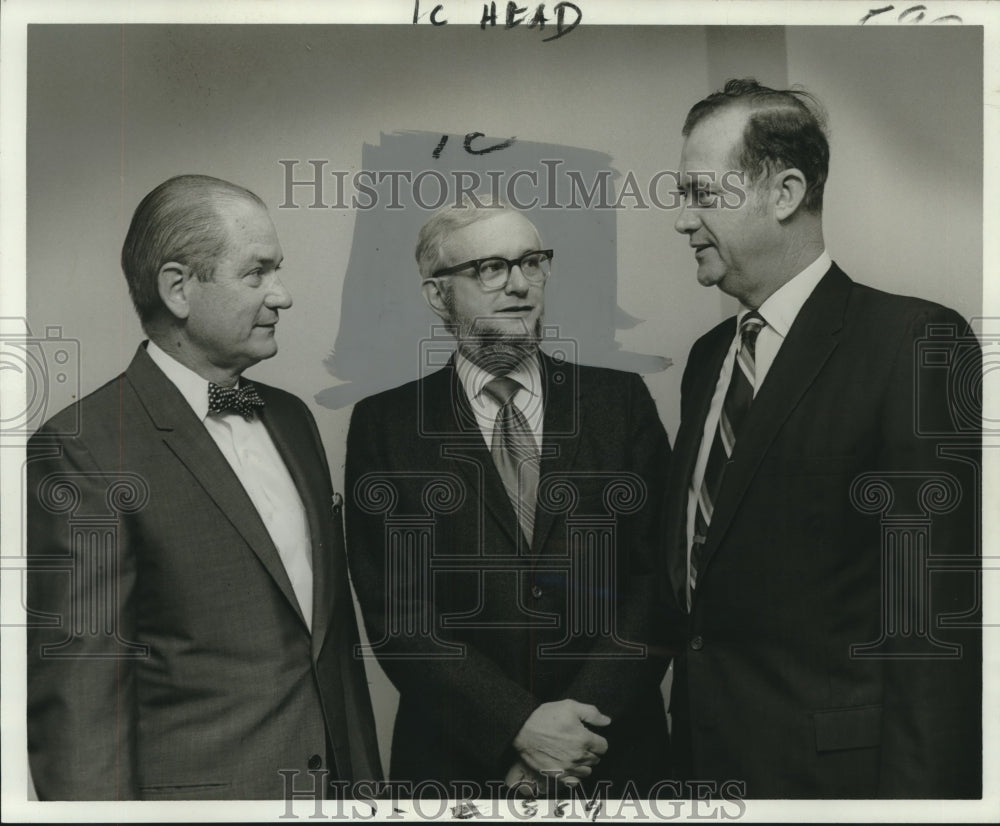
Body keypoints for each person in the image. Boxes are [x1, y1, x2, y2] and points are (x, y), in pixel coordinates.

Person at [664, 79, 981, 798]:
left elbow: (930, 629)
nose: (681, 220)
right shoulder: (708, 361)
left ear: (784, 193)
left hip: (839, 786)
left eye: (701, 194)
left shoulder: (913, 343)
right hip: (702, 777)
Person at [26, 174, 381, 800]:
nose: (284, 295)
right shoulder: (83, 448)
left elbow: (331, 648)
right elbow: (81, 699)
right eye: (257, 273)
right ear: (178, 289)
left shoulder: (292, 418)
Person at [345, 200, 672, 797]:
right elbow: (398, 615)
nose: (520, 285)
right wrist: (515, 728)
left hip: (611, 755)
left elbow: (657, 585)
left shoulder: (620, 403)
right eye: (489, 268)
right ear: (437, 295)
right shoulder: (385, 426)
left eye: (532, 262)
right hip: (460, 765)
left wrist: (570, 733)